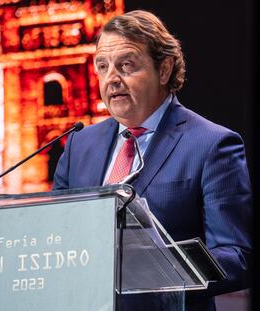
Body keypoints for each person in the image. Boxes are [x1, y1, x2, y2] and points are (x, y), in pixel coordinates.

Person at [53, 10, 252, 310]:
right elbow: (54, 238)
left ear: (164, 69)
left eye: (126, 65)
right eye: (103, 67)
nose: (112, 79)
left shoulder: (212, 145)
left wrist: (159, 268)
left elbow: (236, 256)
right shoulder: (79, 145)